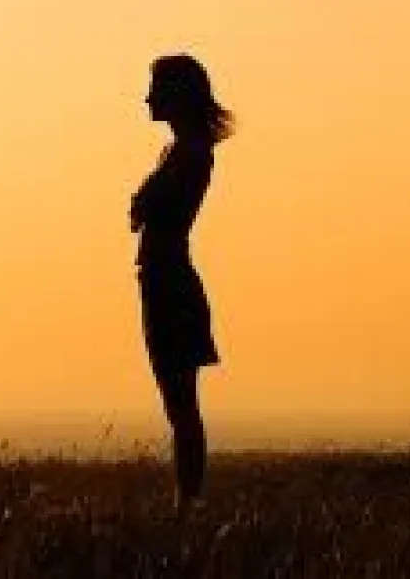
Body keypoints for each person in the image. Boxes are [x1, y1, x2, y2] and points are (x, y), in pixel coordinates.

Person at [130, 54, 232, 519]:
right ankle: (186, 501)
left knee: (181, 405)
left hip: (169, 281)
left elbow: (147, 209)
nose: (148, 99)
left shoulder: (190, 153)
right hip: (162, 279)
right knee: (179, 403)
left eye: (157, 89)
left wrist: (142, 201)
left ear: (178, 96)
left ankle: (188, 503)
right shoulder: (181, 152)